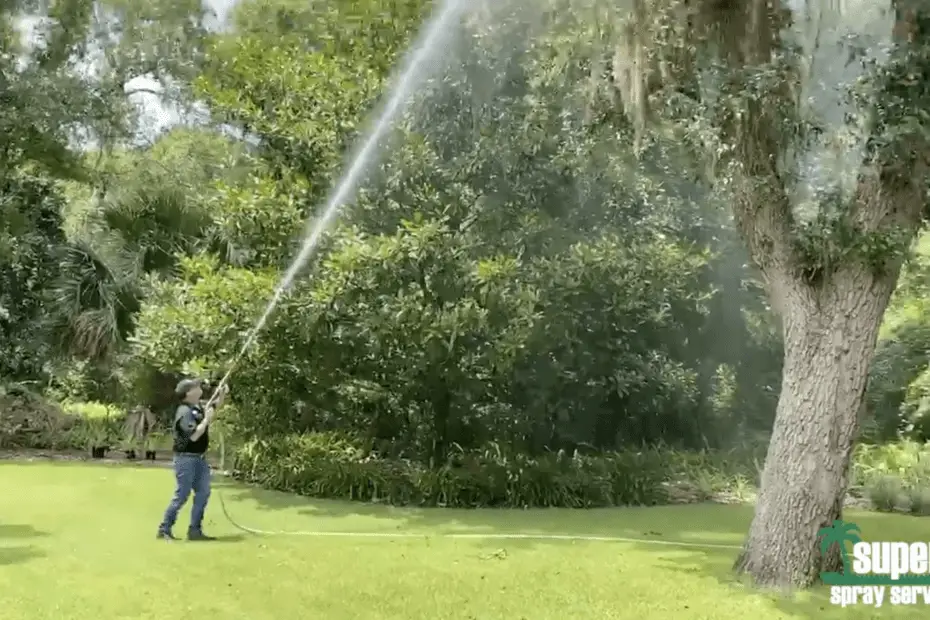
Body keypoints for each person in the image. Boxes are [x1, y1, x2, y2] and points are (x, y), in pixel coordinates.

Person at [156, 378, 228, 541]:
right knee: (182, 494)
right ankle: (164, 529)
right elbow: (194, 436)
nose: (199, 388)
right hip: (186, 459)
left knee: (203, 492)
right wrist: (207, 420)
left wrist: (221, 393)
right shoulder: (184, 412)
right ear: (188, 393)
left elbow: (214, 406)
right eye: (195, 387)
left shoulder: (197, 408)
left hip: (199, 459)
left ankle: (195, 531)